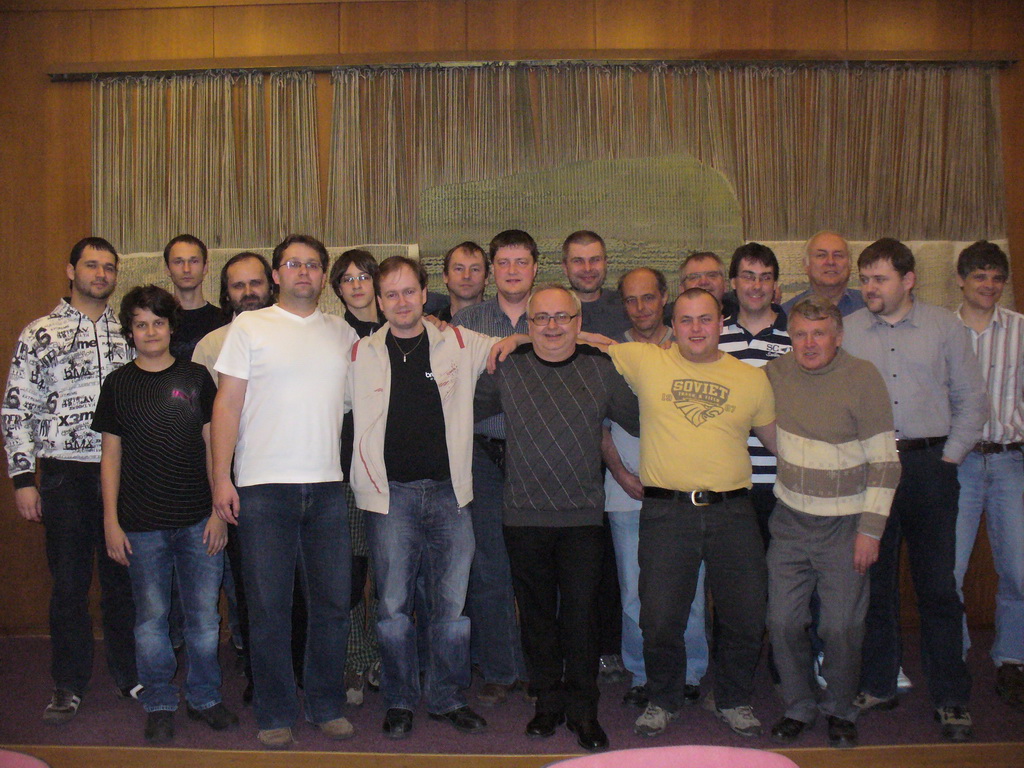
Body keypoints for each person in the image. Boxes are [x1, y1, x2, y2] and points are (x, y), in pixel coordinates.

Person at [349, 256, 518, 739]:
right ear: (380, 301)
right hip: (390, 499)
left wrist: (530, 336)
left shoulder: (459, 342)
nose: (401, 301)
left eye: (409, 291)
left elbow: (523, 341)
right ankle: (400, 699)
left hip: (450, 495)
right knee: (393, 608)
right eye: (391, 294)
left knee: (451, 608)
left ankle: (447, 698)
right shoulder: (359, 354)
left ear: (425, 295)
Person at [606, 287, 776, 739]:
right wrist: (516, 339)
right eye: (686, 320)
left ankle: (734, 698)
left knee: (746, 615)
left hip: (733, 512)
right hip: (667, 512)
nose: (696, 328)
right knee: (659, 618)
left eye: (705, 319)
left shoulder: (751, 379)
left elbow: (776, 441)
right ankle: (663, 699)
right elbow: (584, 340)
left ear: (721, 322)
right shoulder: (646, 360)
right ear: (672, 325)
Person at [475, 284, 639, 752]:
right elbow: (463, 410)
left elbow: (640, 419)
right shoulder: (507, 370)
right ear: (528, 325)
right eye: (541, 318)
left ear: (578, 322)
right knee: (537, 619)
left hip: (582, 517)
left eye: (562, 317)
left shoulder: (602, 370)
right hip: (523, 514)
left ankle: (584, 710)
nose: (552, 326)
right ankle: (547, 703)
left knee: (582, 619)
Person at [211, 234, 357, 749]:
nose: (303, 272)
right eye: (293, 264)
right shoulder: (250, 326)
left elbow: (352, 404)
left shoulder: (341, 333)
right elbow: (226, 405)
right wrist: (221, 478)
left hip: (327, 488)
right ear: (277, 275)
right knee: (268, 608)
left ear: (324, 275)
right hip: (263, 489)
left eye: (313, 264)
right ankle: (274, 712)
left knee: (333, 605)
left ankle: (325, 704)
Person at [843, 237, 987, 742]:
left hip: (930, 467)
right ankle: (878, 684)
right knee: (874, 584)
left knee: (938, 588)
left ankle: (951, 697)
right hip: (871, 469)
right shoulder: (849, 330)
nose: (869, 288)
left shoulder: (945, 327)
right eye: (865, 279)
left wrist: (949, 459)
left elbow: (972, 399)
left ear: (908, 281)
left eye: (879, 279)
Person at [2, 237, 137, 723]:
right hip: (65, 475)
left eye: (108, 267)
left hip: (125, 475)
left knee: (125, 581)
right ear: (71, 270)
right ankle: (68, 683)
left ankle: (130, 674)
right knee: (69, 585)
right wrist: (23, 479)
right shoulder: (40, 332)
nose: (101, 274)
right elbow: (17, 408)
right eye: (91, 265)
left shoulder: (130, 331)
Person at [96, 285, 236, 743]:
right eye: (141, 324)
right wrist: (111, 521)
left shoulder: (197, 377)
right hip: (141, 526)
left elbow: (215, 446)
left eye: (158, 322)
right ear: (129, 332)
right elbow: (110, 456)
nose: (151, 331)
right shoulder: (117, 384)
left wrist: (218, 511)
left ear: (172, 327)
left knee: (204, 620)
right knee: (151, 621)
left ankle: (205, 697)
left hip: (199, 521)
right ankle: (158, 701)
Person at [764, 296, 900, 749]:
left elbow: (885, 464)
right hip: (790, 521)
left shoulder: (863, 377)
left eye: (819, 334)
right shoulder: (775, 374)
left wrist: (870, 532)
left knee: (841, 627)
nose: (809, 343)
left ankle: (840, 709)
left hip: (846, 527)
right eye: (800, 334)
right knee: (782, 622)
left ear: (838, 337)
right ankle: (799, 706)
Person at [601, 267, 708, 710]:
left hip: (685, 494)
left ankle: (691, 671)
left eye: (648, 297)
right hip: (626, 491)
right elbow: (597, 425)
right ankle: (642, 673)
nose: (640, 307)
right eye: (631, 299)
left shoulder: (691, 346)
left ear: (665, 297)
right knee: (633, 592)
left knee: (691, 590)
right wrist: (622, 474)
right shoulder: (610, 354)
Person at [450, 229, 535, 706]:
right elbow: (445, 382)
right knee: (488, 564)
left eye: (521, 262)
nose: (512, 271)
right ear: (492, 271)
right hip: (482, 454)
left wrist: (522, 339)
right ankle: (501, 669)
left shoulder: (553, 313)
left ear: (535, 268)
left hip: (538, 455)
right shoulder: (467, 321)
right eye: (503, 263)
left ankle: (541, 665)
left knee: (537, 563)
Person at [193, 251, 276, 705]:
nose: (248, 292)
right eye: (238, 285)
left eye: (255, 283)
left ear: (271, 285)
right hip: (240, 480)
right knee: (249, 584)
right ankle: (256, 666)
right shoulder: (211, 346)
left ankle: (293, 663)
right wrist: (218, 484)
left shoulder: (297, 333)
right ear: (226, 294)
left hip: (293, 477)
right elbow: (207, 427)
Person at [952, 240, 1024, 710]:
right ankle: (953, 655)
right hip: (957, 464)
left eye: (997, 278)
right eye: (980, 276)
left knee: (1018, 569)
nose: (989, 285)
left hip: (1008, 461)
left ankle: (1012, 659)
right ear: (961, 280)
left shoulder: (1020, 330)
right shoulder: (942, 331)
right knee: (950, 570)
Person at [327, 248, 385, 704]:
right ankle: (353, 659)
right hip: (344, 469)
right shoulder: (331, 334)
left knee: (389, 573)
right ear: (338, 289)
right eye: (348, 279)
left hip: (395, 471)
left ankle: (384, 657)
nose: (357, 285)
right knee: (348, 573)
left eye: (364, 276)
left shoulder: (404, 327)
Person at [719, 242, 792, 544]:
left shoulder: (796, 338)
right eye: (748, 276)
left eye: (765, 277)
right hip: (728, 484)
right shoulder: (713, 338)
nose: (757, 286)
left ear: (775, 285)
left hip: (782, 483)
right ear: (733, 282)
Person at [163, 235, 226, 359]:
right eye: (178, 262)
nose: (186, 269)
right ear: (167, 269)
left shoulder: (224, 320)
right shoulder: (158, 322)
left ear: (205, 267)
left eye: (194, 261)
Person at [562, 230, 629, 338]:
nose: (587, 268)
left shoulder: (628, 306)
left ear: (605, 263)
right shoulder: (552, 310)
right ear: (565, 267)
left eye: (595, 260)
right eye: (578, 261)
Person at [782, 231, 866, 318]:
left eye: (838, 255)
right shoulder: (787, 314)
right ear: (805, 265)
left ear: (850, 264)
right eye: (821, 255)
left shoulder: (868, 305)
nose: (831, 262)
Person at [438, 242, 488, 322]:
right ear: (445, 276)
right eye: (459, 269)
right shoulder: (430, 325)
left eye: (475, 269)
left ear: (486, 278)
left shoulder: (502, 323)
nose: (466, 276)